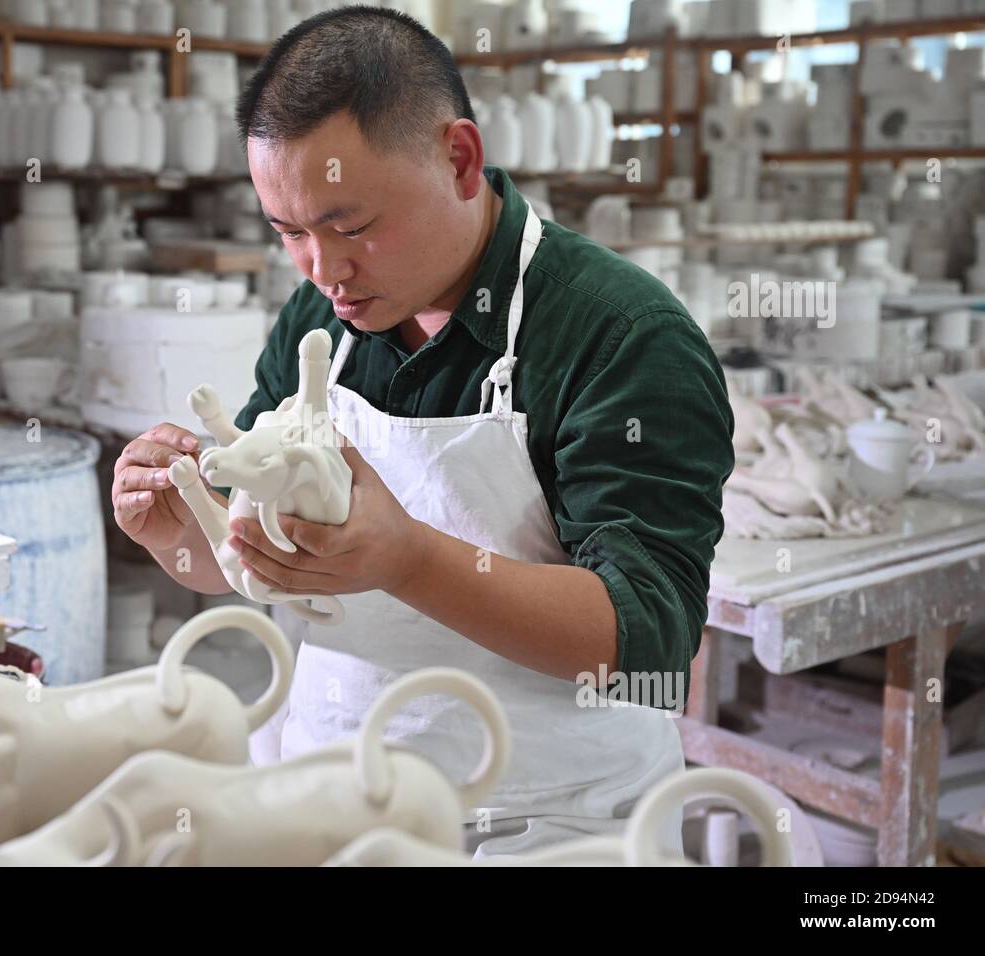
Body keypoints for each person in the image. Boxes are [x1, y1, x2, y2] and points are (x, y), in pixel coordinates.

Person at [112, 6, 734, 857]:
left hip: (552, 822)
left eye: (352, 226)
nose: (324, 271)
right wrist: (181, 534)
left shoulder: (620, 335)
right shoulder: (321, 321)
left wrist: (407, 558)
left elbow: (649, 638)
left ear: (460, 159)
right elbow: (259, 560)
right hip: (341, 790)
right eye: (290, 232)